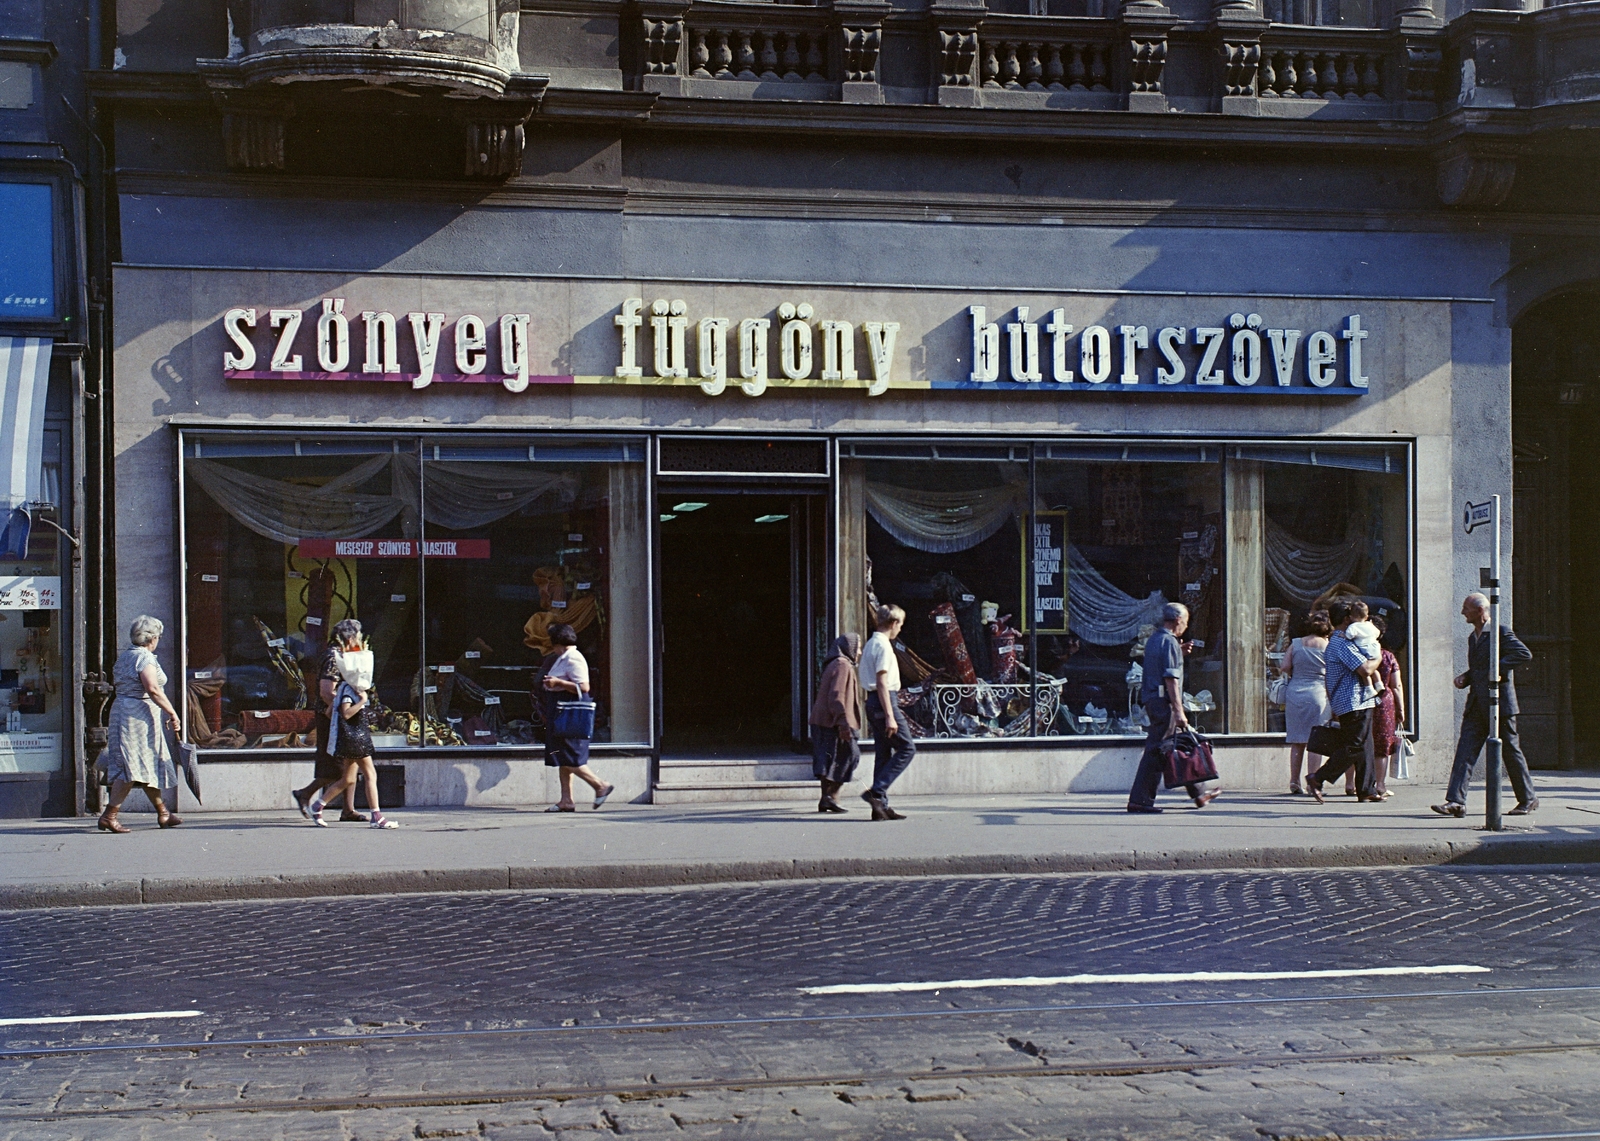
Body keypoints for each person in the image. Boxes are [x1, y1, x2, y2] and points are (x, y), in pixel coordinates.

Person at [1433, 592, 1538, 818]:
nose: (1463, 613)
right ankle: (1455, 801)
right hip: (1477, 703)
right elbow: (1479, 667)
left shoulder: (1500, 632)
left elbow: (1523, 653)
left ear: (1480, 611)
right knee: (1465, 751)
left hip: (1499, 704)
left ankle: (1528, 799)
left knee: (1510, 750)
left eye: (1466, 609)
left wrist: (1496, 668)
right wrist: (1467, 677)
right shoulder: (1473, 637)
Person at [1126, 602, 1217, 813]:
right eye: (1185, 621)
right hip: (1163, 703)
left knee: (1175, 746)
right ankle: (1140, 800)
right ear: (1178, 621)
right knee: (1159, 750)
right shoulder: (1169, 642)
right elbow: (1170, 680)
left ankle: (1199, 793)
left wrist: (1179, 653)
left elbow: (1159, 664)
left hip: (1154, 701)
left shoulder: (1157, 639)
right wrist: (1179, 711)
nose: (1186, 626)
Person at [97, 616, 184, 833]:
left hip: (127, 712)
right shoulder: (145, 658)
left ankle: (163, 812)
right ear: (153, 638)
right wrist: (172, 712)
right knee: (133, 766)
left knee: (145, 763)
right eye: (159, 637)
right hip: (137, 716)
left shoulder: (125, 656)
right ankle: (109, 815)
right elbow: (153, 688)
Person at [307, 624, 396, 829]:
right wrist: (361, 701)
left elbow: (334, 709)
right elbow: (341, 708)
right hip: (354, 736)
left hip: (351, 734)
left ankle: (318, 806)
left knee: (347, 778)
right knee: (370, 774)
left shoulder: (346, 683)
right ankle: (377, 816)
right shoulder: (347, 686)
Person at [1306, 599, 1383, 803]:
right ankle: (1318, 777)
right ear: (1347, 619)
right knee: (1355, 744)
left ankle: (1367, 788)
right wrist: (1379, 658)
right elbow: (1365, 669)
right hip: (1353, 700)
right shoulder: (1342, 643)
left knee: (1365, 744)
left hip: (1358, 700)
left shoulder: (1341, 641)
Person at [292, 620, 369, 824]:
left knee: (350, 761)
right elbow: (327, 691)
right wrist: (345, 707)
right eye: (358, 636)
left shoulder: (345, 655)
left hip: (341, 714)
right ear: (350, 637)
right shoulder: (334, 657)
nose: (360, 640)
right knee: (337, 767)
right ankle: (305, 794)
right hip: (332, 717)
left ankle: (348, 809)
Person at [540, 622, 615, 812]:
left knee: (570, 757)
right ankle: (566, 800)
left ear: (558, 642)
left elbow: (584, 687)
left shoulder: (573, 658)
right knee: (563, 757)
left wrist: (558, 682)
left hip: (568, 715)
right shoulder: (565, 657)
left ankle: (600, 785)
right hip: (561, 712)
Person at [859, 604, 914, 821]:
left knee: (883, 752)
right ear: (893, 623)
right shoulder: (882, 646)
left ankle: (879, 807)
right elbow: (882, 682)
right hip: (884, 700)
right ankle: (877, 792)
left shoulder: (872, 643)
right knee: (907, 748)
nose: (900, 629)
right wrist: (890, 715)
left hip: (873, 701)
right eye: (900, 624)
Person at [1281, 610, 1333, 795]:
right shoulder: (1328, 646)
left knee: (1297, 740)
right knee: (1315, 742)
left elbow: (1285, 667)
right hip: (1318, 694)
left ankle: (1294, 781)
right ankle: (1313, 782)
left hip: (1295, 693)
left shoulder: (1295, 644)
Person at [810, 634, 863, 814]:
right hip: (832, 722)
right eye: (858, 647)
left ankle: (827, 798)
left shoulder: (836, 663)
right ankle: (830, 796)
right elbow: (837, 696)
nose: (860, 652)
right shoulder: (842, 665)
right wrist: (843, 723)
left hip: (824, 720)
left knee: (829, 760)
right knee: (850, 755)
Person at [1369, 614, 1406, 800]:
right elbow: (1396, 685)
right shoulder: (1388, 656)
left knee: (1361, 742)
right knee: (1382, 744)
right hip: (1384, 702)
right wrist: (1401, 710)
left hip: (1364, 699)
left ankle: (1352, 783)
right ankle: (1380, 785)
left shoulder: (1360, 654)